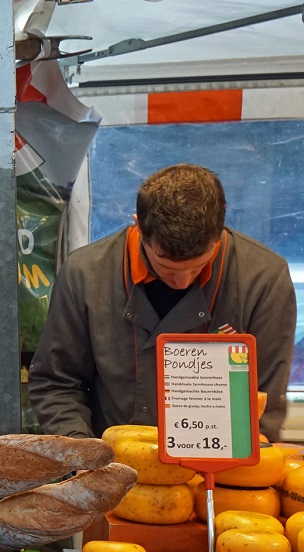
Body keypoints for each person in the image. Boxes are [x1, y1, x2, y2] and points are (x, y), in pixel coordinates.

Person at [29, 163, 294, 440]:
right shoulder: (84, 274)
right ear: (138, 226)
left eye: (198, 266)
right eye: (166, 266)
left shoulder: (264, 280)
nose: (182, 281)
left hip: (219, 471)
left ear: (220, 231)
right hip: (107, 466)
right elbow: (56, 383)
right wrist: (83, 457)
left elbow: (265, 399)